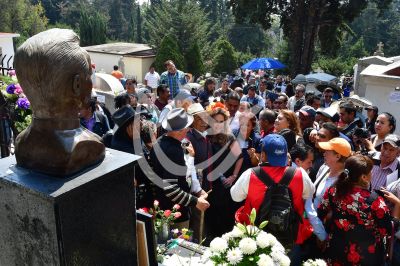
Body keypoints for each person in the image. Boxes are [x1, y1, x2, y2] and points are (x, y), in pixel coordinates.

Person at [14, 28, 105, 175]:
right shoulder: (88, 146)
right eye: (89, 74)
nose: (91, 82)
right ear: (76, 85)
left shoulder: (21, 144)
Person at [231, 134, 314, 259]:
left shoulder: (250, 174)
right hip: (290, 235)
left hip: (254, 238)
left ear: (263, 155)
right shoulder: (300, 174)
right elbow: (309, 193)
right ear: (286, 154)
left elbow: (235, 197)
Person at [318, 155, 393, 266]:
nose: (371, 174)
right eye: (370, 172)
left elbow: (321, 212)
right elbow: (386, 229)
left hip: (336, 249)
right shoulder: (375, 201)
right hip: (365, 256)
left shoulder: (333, 191)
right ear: (363, 177)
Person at [150, 108, 210, 228]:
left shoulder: (159, 142)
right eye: (186, 127)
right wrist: (196, 201)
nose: (188, 130)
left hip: (162, 208)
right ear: (178, 130)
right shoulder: (174, 151)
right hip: (175, 215)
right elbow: (171, 189)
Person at [204, 103, 243, 242]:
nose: (218, 124)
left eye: (221, 122)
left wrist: (233, 176)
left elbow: (240, 157)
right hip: (208, 182)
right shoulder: (206, 136)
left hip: (223, 183)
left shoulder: (229, 137)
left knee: (223, 213)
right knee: (209, 213)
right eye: (215, 121)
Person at [305, 137, 351, 244]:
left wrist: (322, 235)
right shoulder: (324, 168)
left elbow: (333, 213)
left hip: (323, 233)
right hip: (310, 226)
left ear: (338, 156)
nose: (324, 154)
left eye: (328, 152)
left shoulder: (344, 181)